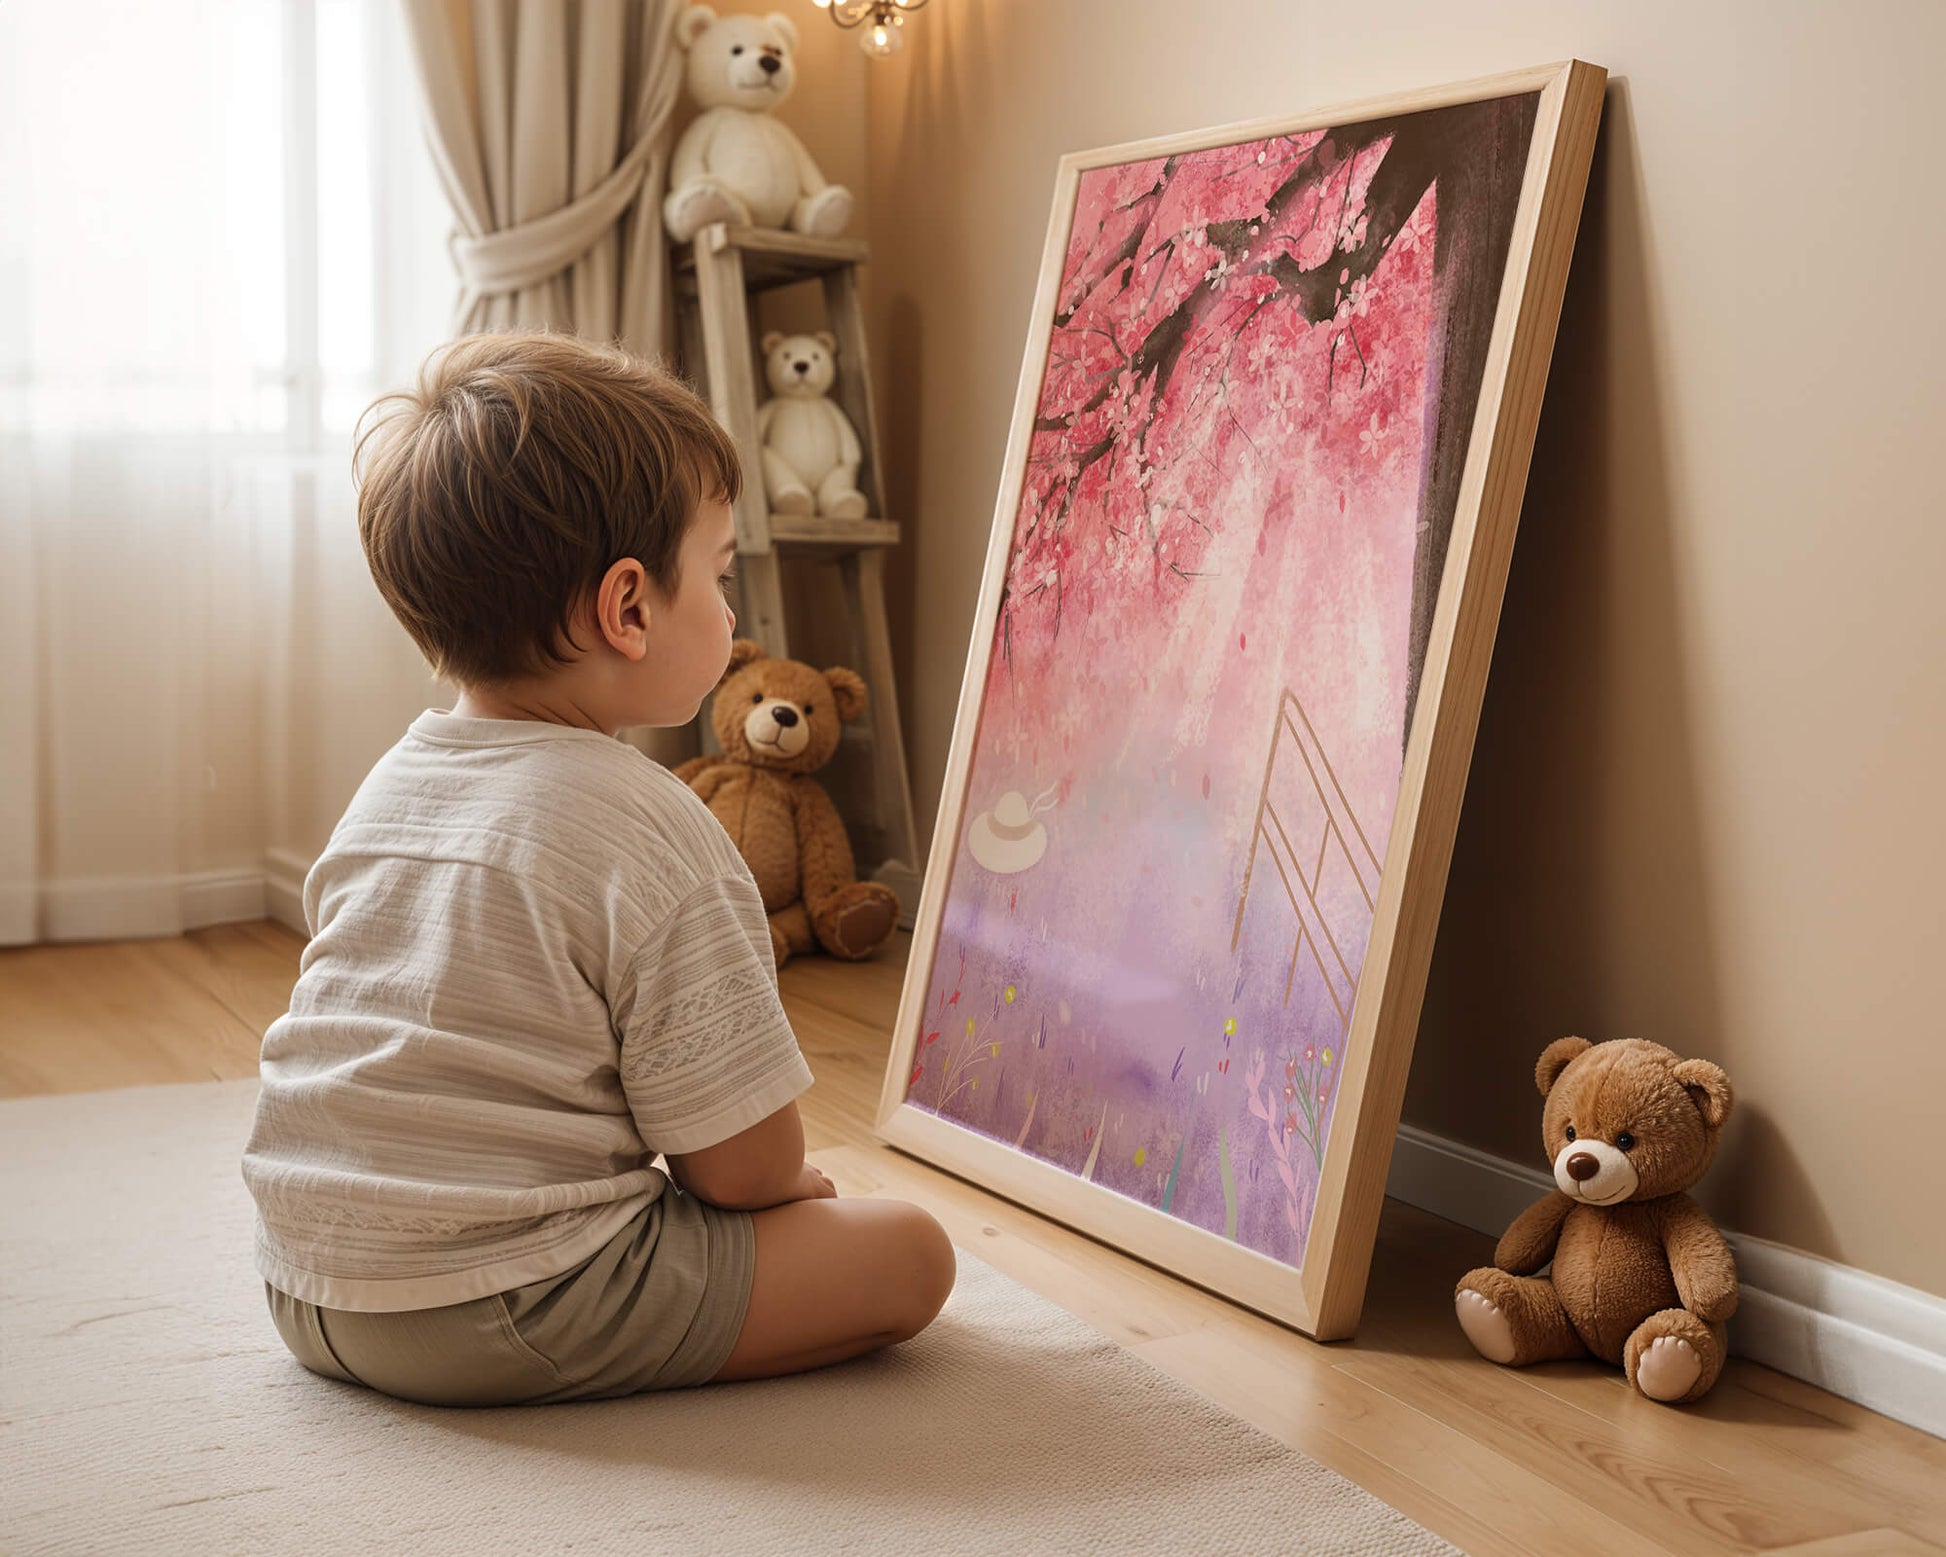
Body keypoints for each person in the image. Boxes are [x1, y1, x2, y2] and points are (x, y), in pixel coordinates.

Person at [240, 330, 954, 1408]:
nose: (731, 613)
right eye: (718, 577)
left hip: (306, 1285)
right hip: (495, 1304)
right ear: (627, 610)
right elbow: (738, 1169)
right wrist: (790, 1193)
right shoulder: (650, 825)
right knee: (908, 1252)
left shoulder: (393, 783)